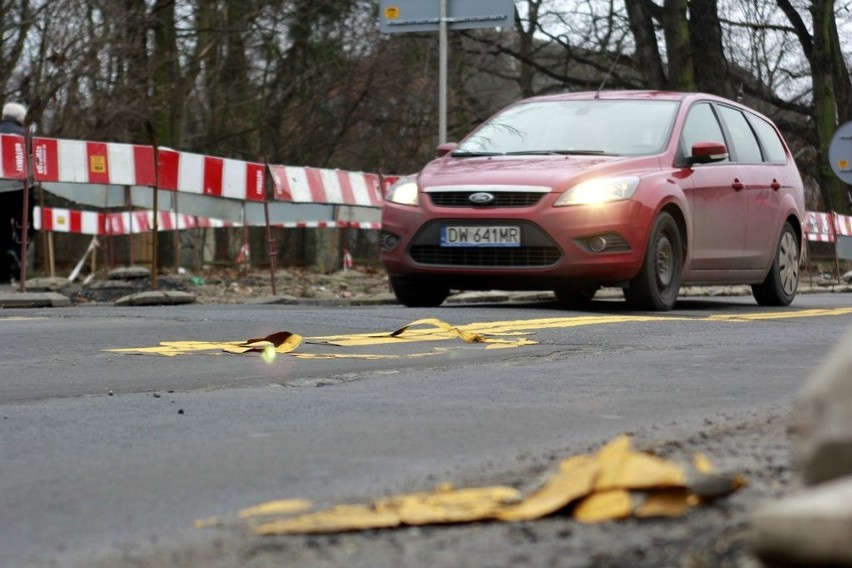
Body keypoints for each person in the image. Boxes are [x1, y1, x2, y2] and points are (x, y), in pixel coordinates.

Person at [0, 102, 32, 284]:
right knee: (27, 226)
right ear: (21, 119)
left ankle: (3, 278)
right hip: (20, 189)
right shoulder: (25, 135)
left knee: (1, 230)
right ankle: (16, 251)